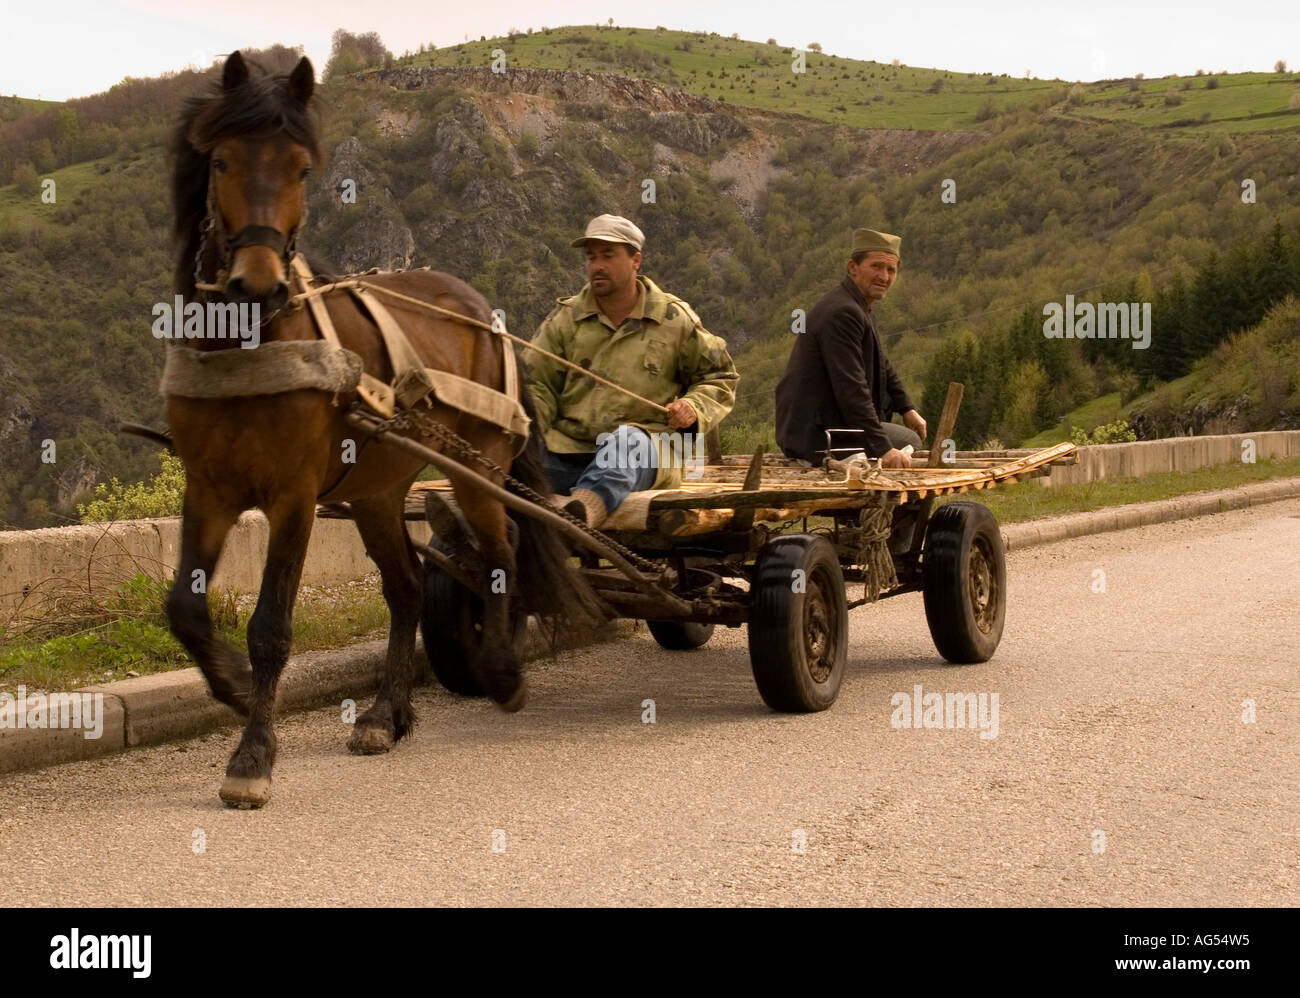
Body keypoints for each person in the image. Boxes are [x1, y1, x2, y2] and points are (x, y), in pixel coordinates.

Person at [527, 214, 739, 527]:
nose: (597, 266)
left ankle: (580, 519)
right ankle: (467, 531)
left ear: (635, 260)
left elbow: (720, 377)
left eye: (608, 256)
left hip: (652, 450)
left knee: (627, 442)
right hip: (571, 451)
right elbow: (535, 385)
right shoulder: (565, 319)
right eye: (591, 257)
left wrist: (693, 407)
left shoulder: (673, 318)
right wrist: (527, 434)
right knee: (515, 468)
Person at [775, 227, 927, 469]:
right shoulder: (843, 312)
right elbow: (851, 388)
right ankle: (884, 506)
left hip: (830, 424)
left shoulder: (857, 306)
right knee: (909, 442)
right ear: (852, 268)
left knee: (905, 438)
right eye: (876, 266)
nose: (884, 277)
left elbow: (882, 362)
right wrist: (883, 449)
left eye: (891, 270)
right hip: (819, 434)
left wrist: (906, 407)